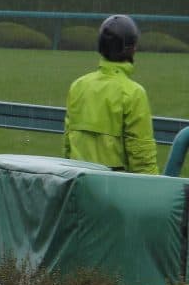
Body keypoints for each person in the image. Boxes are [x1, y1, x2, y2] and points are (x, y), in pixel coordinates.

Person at [63, 14, 158, 174]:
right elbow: (142, 155)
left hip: (78, 184)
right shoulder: (133, 93)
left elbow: (67, 145)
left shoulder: (78, 85)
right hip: (114, 189)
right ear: (131, 49)